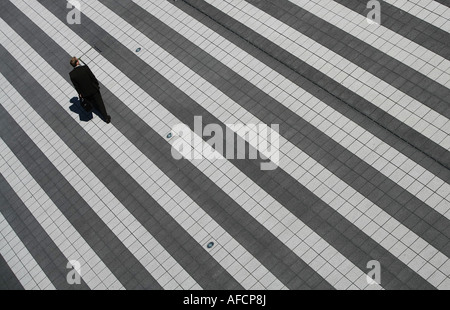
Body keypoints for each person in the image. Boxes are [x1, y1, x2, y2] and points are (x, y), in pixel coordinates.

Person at [69, 57, 111, 123]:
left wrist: (80, 93)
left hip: (85, 93)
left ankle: (98, 110)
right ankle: (106, 117)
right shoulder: (85, 68)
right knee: (100, 103)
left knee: (93, 103)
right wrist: (96, 85)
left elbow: (76, 86)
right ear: (77, 62)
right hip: (93, 89)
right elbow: (92, 77)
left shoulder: (72, 75)